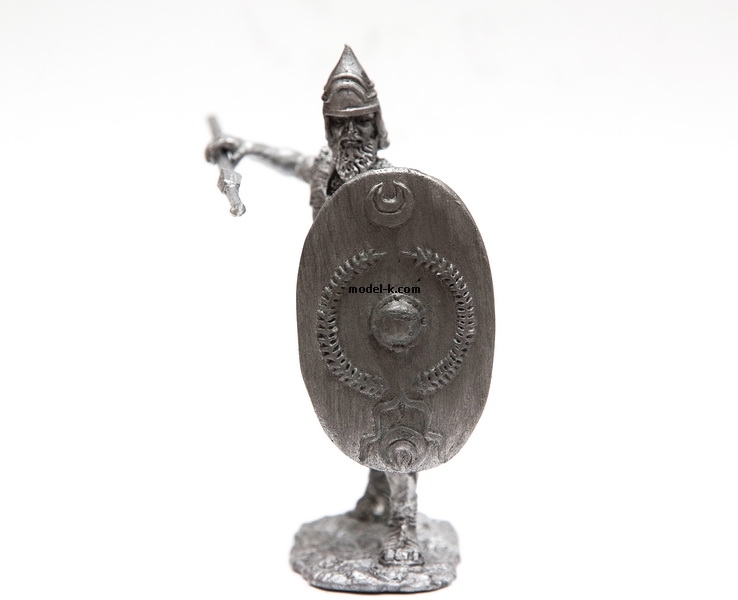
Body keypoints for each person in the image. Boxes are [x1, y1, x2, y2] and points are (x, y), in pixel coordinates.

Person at [206, 45, 422, 565]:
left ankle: (406, 525)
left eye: (360, 123)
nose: (350, 135)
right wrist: (248, 148)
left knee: (395, 419)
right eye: (339, 124)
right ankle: (376, 496)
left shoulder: (390, 186)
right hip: (342, 313)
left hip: (391, 319)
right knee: (361, 413)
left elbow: (417, 255)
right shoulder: (327, 168)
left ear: (376, 124)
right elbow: (295, 161)